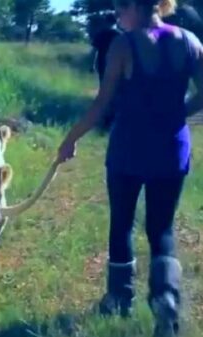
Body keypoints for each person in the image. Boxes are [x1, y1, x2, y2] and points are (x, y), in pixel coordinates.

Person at [57, 0, 203, 335]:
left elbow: (102, 101)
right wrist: (180, 112)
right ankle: (165, 296)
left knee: (122, 223)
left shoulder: (125, 44)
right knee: (161, 229)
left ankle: (119, 298)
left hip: (129, 150)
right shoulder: (190, 41)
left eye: (120, 9)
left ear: (134, 7)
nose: (117, 16)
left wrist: (71, 139)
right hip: (171, 150)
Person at [91, 13, 123, 130]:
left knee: (105, 92)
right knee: (116, 92)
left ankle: (106, 119)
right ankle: (113, 119)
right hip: (117, 67)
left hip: (103, 66)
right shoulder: (119, 35)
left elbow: (94, 52)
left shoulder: (101, 35)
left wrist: (92, 65)